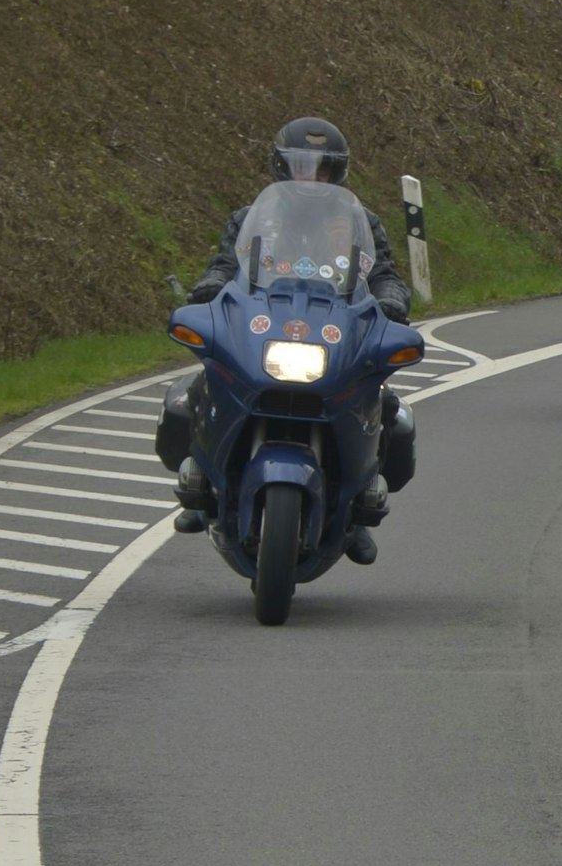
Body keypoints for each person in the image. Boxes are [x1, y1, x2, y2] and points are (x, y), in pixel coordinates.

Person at [162, 116, 413, 565]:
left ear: (338, 173)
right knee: (193, 393)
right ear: (282, 167)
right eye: (302, 166)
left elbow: (384, 275)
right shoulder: (251, 218)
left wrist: (391, 301)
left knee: (390, 411)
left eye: (322, 169)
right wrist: (209, 286)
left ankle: (356, 513)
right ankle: (203, 487)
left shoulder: (360, 222)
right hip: (266, 320)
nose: (312, 177)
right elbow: (225, 264)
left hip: (334, 326)